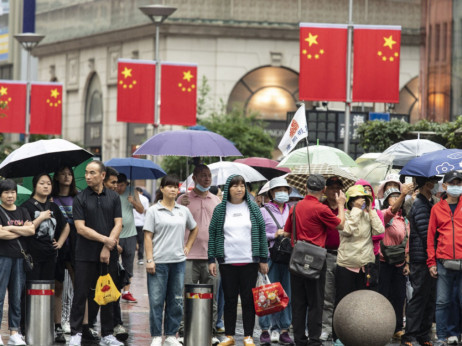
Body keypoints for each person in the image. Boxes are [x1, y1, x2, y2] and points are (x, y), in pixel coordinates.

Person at [283, 174, 346, 346]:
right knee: (316, 302)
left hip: (297, 257)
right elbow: (340, 224)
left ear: (305, 188)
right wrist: (340, 204)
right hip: (317, 259)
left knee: (298, 301)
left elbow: (287, 232)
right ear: (324, 190)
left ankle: (299, 339)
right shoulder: (322, 209)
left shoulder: (295, 208)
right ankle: (314, 339)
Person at [208, 174, 268, 346]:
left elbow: (262, 234)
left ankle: (248, 336)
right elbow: (213, 234)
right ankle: (229, 336)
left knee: (249, 299)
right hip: (227, 262)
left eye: (242, 185)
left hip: (250, 261)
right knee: (229, 299)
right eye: (235, 185)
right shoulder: (220, 209)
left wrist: (263, 259)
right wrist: (212, 258)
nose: (239, 189)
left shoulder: (253, 208)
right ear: (228, 188)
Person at [69, 161, 123, 346]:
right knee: (81, 293)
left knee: (107, 292)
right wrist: (105, 240)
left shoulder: (114, 197)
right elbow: (80, 228)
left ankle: (107, 333)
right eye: (86, 173)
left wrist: (108, 247)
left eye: (92, 173)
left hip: (109, 254)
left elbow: (118, 224)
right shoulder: (80, 198)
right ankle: (75, 332)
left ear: (102, 175)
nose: (88, 176)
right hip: (84, 253)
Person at [144, 175, 198, 346]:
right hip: (158, 262)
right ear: (162, 189)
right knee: (156, 300)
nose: (173, 189)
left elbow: (194, 228)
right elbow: (147, 236)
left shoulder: (183, 210)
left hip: (178, 261)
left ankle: (170, 335)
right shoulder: (154, 210)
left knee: (176, 300)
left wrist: (188, 246)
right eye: (169, 186)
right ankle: (155, 335)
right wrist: (149, 259)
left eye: (176, 187)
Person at [332, 185, 385, 345]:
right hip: (346, 265)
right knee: (342, 303)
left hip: (365, 266)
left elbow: (379, 230)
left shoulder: (368, 214)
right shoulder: (345, 215)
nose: (360, 202)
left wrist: (371, 211)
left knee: (364, 304)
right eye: (356, 200)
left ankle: (361, 335)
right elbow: (346, 230)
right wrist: (355, 210)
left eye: (362, 199)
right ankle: (338, 337)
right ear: (350, 202)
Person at [21, 173, 70, 343]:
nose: (46, 186)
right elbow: (27, 230)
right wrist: (40, 217)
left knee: (49, 291)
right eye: (42, 183)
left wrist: (60, 243)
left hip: (51, 255)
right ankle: (25, 327)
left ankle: (47, 325)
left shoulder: (53, 206)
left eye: (48, 183)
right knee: (30, 290)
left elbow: (66, 227)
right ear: (35, 186)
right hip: (32, 255)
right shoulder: (26, 206)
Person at [177, 164, 221, 344]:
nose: (207, 179)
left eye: (209, 176)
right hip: (187, 256)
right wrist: (180, 204)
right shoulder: (182, 199)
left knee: (212, 296)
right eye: (203, 176)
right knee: (184, 295)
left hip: (211, 258)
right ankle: (182, 331)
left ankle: (210, 332)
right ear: (194, 178)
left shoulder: (216, 200)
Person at [401, 176, 439, 346]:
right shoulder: (421, 204)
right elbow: (426, 233)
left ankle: (424, 335)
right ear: (426, 184)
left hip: (428, 257)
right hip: (421, 258)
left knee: (429, 298)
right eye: (432, 181)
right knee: (418, 297)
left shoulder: (430, 203)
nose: (435, 183)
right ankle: (410, 335)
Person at [427, 171, 462, 346]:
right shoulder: (436, 208)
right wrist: (431, 262)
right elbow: (431, 237)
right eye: (453, 183)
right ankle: (441, 337)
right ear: (445, 186)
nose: (457, 186)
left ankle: (455, 333)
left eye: (459, 183)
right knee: (442, 301)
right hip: (443, 262)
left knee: (460, 300)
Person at [258, 177, 294, 345]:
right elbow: (257, 234)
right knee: (268, 291)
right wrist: (275, 235)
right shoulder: (263, 210)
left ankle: (284, 329)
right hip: (270, 255)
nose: (282, 192)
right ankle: (265, 329)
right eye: (278, 189)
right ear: (271, 192)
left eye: (285, 190)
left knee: (286, 292)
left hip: (288, 256)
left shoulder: (292, 210)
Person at [0, 179, 35, 346]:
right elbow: (0, 235)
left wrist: (8, 228)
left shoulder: (22, 211)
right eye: (6, 192)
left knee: (16, 296)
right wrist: (21, 231)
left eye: (12, 192)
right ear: (1, 195)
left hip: (20, 258)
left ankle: (14, 332)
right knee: (0, 296)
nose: (10, 195)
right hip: (2, 258)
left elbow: (31, 230)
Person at [379, 183, 413, 341]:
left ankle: (397, 327)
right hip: (383, 262)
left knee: (399, 296)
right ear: (387, 200)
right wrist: (403, 195)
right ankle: (382, 327)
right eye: (392, 197)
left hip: (399, 262)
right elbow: (392, 211)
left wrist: (407, 263)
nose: (396, 199)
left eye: (397, 196)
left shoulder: (404, 219)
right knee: (383, 295)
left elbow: (407, 242)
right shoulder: (385, 215)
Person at [52, 166, 79, 337]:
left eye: (70, 174)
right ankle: (58, 324)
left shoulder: (78, 197)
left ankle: (73, 321)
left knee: (78, 285)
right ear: (56, 177)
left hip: (75, 246)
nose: (67, 177)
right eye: (63, 173)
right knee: (58, 286)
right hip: (57, 246)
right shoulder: (51, 198)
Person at [320, 176, 344, 342]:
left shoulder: (348, 208)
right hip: (326, 255)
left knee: (342, 295)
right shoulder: (321, 208)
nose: (335, 190)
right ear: (325, 190)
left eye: (338, 187)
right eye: (332, 187)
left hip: (345, 255)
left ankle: (340, 329)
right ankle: (325, 328)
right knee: (327, 295)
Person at [117, 173, 144, 303]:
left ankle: (126, 291)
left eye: (122, 185)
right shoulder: (110, 193)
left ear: (126, 184)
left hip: (130, 233)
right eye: (117, 184)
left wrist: (133, 201)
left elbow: (141, 210)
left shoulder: (132, 192)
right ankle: (114, 288)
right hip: (115, 234)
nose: (119, 187)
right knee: (114, 263)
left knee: (128, 263)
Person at [134, 186, 150, 265]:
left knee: (132, 241)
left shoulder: (131, 198)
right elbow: (146, 211)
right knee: (141, 242)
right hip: (141, 223)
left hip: (132, 223)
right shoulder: (145, 199)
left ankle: (131, 256)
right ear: (141, 192)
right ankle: (140, 258)